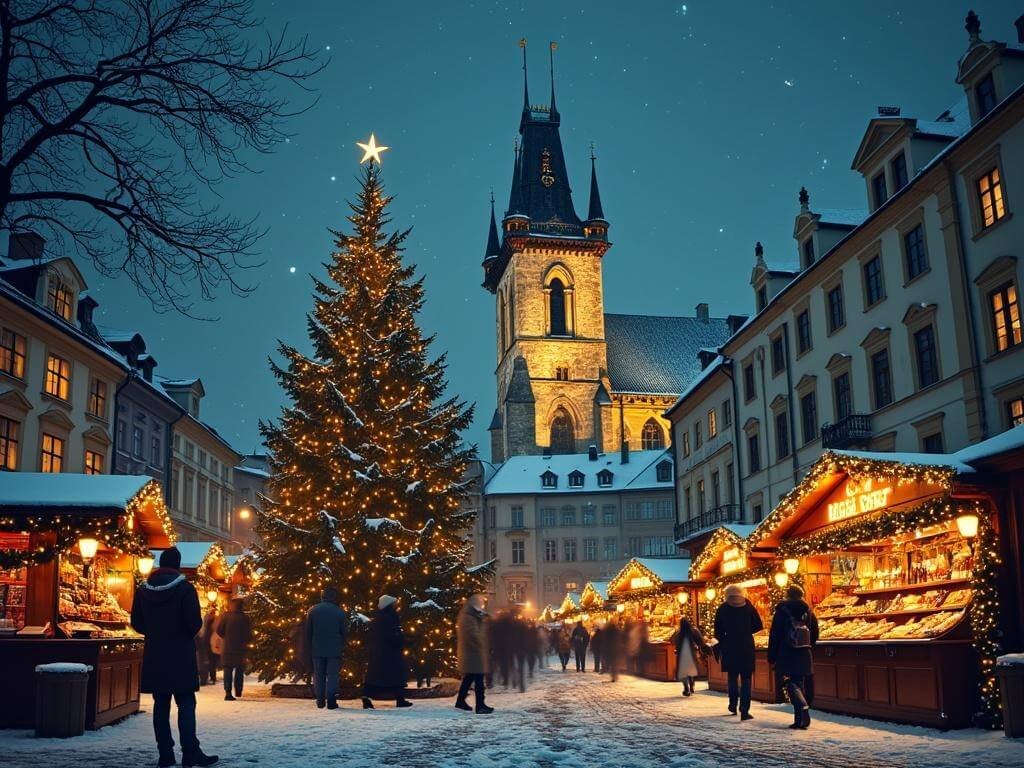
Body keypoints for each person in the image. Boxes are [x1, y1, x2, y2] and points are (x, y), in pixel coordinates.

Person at [130, 547, 218, 768]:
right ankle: (190, 753)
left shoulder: (143, 590)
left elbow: (137, 623)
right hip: (180, 655)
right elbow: (194, 624)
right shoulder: (185, 589)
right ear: (178, 565)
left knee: (161, 705)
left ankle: (165, 754)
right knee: (186, 703)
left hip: (156, 655)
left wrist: (155, 633)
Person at [768, 585, 819, 730]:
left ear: (787, 595)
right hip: (804, 652)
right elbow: (815, 632)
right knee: (799, 682)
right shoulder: (808, 610)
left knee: (790, 682)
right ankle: (800, 719)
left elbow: (775, 634)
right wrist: (808, 645)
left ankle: (802, 709)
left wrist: (772, 655)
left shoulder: (782, 610)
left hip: (787, 651)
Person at [714, 584, 763, 720]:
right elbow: (759, 625)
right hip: (746, 646)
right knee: (746, 679)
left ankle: (732, 703)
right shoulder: (748, 607)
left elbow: (717, 631)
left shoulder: (723, 608)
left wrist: (722, 641)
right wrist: (747, 631)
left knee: (732, 677)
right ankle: (744, 709)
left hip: (729, 646)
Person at [362, 595, 413, 709]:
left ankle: (367, 696)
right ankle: (400, 699)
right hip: (391, 652)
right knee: (396, 675)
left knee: (376, 676)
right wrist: (403, 640)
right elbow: (393, 634)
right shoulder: (391, 617)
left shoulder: (378, 618)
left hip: (379, 653)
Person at [305, 586, 349, 710]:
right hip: (334, 648)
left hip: (317, 648)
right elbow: (344, 632)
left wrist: (309, 646)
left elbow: (308, 631)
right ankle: (331, 700)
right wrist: (342, 644)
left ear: (322, 596)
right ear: (334, 597)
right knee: (333, 674)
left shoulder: (312, 611)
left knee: (318, 674)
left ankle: (320, 700)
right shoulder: (339, 612)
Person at [455, 594, 493, 714]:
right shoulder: (468, 617)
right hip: (473, 652)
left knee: (469, 677)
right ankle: (480, 705)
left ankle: (460, 701)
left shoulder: (473, 615)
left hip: (473, 652)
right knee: (478, 679)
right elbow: (473, 635)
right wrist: (484, 646)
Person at [216, 598, 252, 701]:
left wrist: (226, 637)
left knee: (227, 670)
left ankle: (228, 693)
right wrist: (245, 641)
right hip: (241, 647)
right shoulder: (245, 617)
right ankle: (238, 690)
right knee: (239, 670)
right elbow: (249, 634)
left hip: (227, 647)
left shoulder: (225, 616)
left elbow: (219, 630)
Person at [674, 618, 704, 697]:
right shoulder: (693, 630)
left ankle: (686, 687)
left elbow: (674, 642)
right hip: (691, 653)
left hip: (681, 654)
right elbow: (700, 641)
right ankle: (691, 685)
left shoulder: (678, 632)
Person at [201, 605, 219, 684]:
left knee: (209, 660)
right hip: (211, 639)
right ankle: (212, 677)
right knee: (212, 661)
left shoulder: (207, 617)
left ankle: (209, 677)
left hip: (207, 639)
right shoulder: (214, 618)